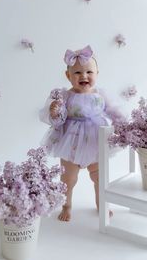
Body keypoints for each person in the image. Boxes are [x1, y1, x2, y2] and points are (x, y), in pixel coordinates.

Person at [39, 45, 121, 221]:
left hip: (95, 142)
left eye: (89, 72)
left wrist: (123, 124)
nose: (84, 76)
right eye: (77, 73)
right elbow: (58, 120)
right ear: (68, 76)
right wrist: (55, 111)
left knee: (100, 178)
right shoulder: (65, 96)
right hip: (71, 144)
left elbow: (114, 111)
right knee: (68, 179)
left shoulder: (101, 94)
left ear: (97, 73)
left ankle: (102, 204)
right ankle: (66, 206)